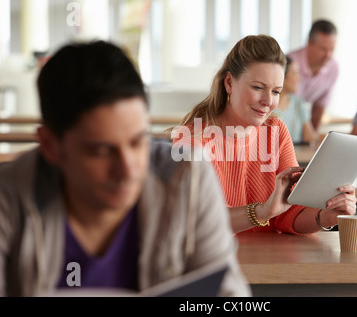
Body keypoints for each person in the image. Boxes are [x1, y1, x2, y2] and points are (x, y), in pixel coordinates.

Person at [0, 41, 251, 297]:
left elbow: (229, 295)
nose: (128, 170)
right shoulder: (8, 197)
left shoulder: (188, 177)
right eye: (100, 151)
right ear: (51, 146)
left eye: (137, 142)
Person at [171, 34, 357, 235]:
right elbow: (195, 221)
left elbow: (289, 214)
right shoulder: (192, 140)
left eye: (276, 91)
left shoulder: (275, 131)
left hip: (268, 261)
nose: (268, 101)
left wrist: (325, 216)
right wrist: (261, 212)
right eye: (258, 87)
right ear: (229, 83)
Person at [287, 19, 339, 131]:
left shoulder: (333, 68)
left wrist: (313, 141)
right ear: (309, 43)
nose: (328, 55)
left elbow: (320, 106)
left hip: (303, 127)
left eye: (332, 49)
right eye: (323, 49)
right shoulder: (289, 63)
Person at [273, 56, 318, 145]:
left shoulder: (298, 103)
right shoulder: (268, 106)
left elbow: (310, 138)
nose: (299, 78)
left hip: (297, 157)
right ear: (282, 77)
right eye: (295, 74)